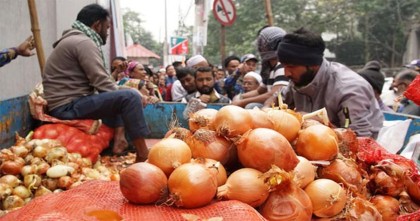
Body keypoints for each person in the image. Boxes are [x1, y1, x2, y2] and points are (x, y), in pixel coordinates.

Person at [42, 4, 150, 162]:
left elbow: (103, 84)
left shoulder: (75, 40)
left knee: (122, 97)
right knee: (130, 97)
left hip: (69, 103)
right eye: (106, 28)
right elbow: (101, 82)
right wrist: (134, 94)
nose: (107, 33)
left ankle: (119, 140)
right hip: (66, 107)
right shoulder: (82, 42)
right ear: (97, 25)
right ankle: (143, 154)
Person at [277, 27, 383, 138]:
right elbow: (277, 100)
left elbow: (358, 137)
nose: (286, 73)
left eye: (291, 67)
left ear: (313, 64)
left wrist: (316, 122)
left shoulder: (348, 89)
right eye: (283, 66)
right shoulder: (298, 81)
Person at [232, 26, 289, 108]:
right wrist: (241, 96)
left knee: (251, 106)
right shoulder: (269, 68)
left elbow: (274, 94)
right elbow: (259, 91)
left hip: (279, 108)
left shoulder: (281, 66)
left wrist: (241, 102)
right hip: (270, 106)